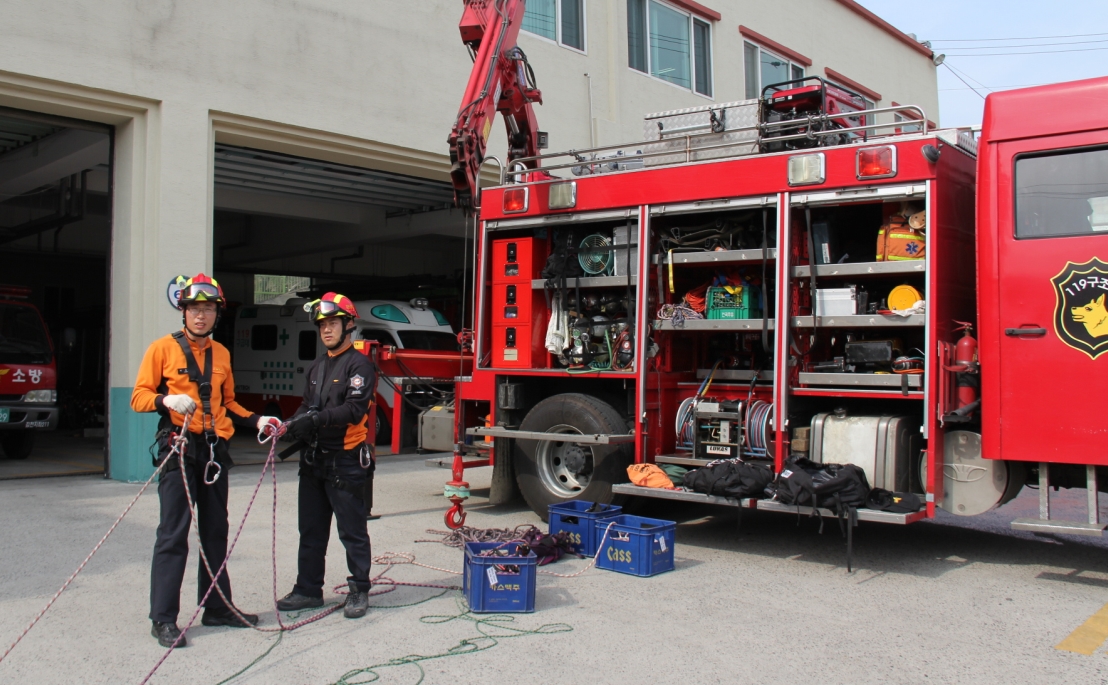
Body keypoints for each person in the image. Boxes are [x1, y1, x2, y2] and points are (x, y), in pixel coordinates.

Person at [132, 274, 281, 648]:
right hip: (179, 449)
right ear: (183, 311)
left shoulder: (223, 355)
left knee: (215, 532)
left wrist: (256, 419)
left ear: (217, 314)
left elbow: (228, 403)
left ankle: (217, 607)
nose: (201, 316)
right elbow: (138, 396)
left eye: (208, 309)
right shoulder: (161, 349)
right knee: (174, 533)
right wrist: (165, 400)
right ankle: (163, 618)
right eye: (195, 309)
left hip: (214, 452)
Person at [276, 292, 377, 619]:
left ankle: (359, 590)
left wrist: (318, 419)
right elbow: (308, 405)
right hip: (314, 461)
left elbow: (353, 408)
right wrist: (289, 425)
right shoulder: (318, 366)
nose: (327, 330)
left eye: (333, 323)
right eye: (322, 325)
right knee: (311, 530)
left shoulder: (360, 364)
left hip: (345, 461)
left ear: (349, 325)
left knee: (352, 530)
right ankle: (307, 590)